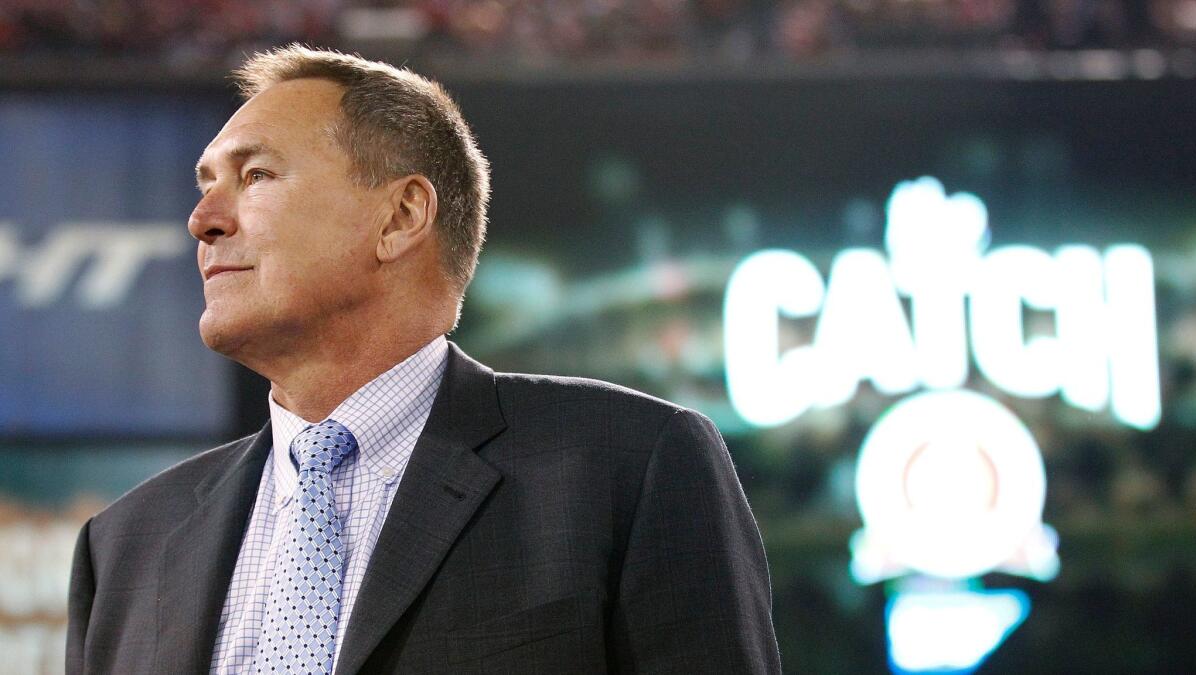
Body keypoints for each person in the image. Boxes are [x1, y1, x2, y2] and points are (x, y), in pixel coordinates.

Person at [66, 45, 780, 674]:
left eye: (255, 176)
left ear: (402, 216)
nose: (203, 219)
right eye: (205, 184)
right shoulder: (127, 547)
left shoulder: (628, 467)